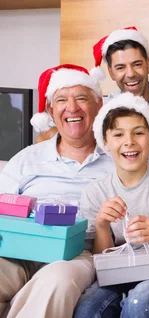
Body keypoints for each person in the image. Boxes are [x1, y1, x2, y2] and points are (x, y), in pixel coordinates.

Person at [0, 64, 114, 318]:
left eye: (81, 98)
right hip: (19, 249)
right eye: (61, 99)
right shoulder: (27, 158)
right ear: (51, 111)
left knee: (58, 281)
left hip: (78, 253)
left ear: (98, 104)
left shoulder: (119, 158)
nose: (72, 108)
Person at [73, 92, 149, 318]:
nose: (129, 142)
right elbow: (99, 260)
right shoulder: (95, 192)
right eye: (118, 134)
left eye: (138, 133)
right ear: (105, 143)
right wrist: (101, 225)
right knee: (89, 307)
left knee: (141, 302)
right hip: (116, 272)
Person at [37, 26, 149, 181]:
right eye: (120, 67)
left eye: (137, 64)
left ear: (148, 65)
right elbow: (52, 138)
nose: (130, 74)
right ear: (111, 72)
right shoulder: (99, 109)